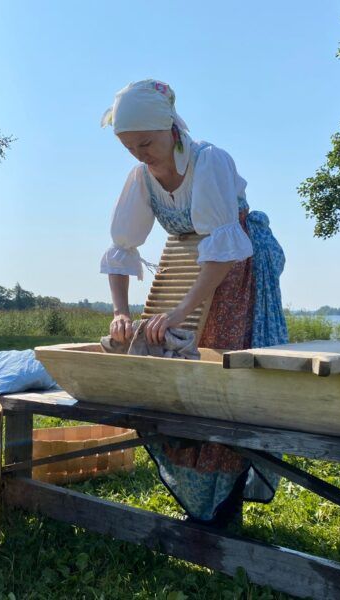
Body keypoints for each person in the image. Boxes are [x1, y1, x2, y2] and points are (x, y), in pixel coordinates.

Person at [99, 79, 288, 526]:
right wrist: (120, 312)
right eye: (129, 146)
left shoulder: (209, 162)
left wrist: (182, 311)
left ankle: (225, 509)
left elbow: (224, 248)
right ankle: (201, 503)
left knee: (223, 384)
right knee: (174, 379)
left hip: (236, 272)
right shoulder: (141, 178)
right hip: (190, 264)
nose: (140, 153)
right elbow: (123, 248)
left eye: (146, 142)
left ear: (170, 127)